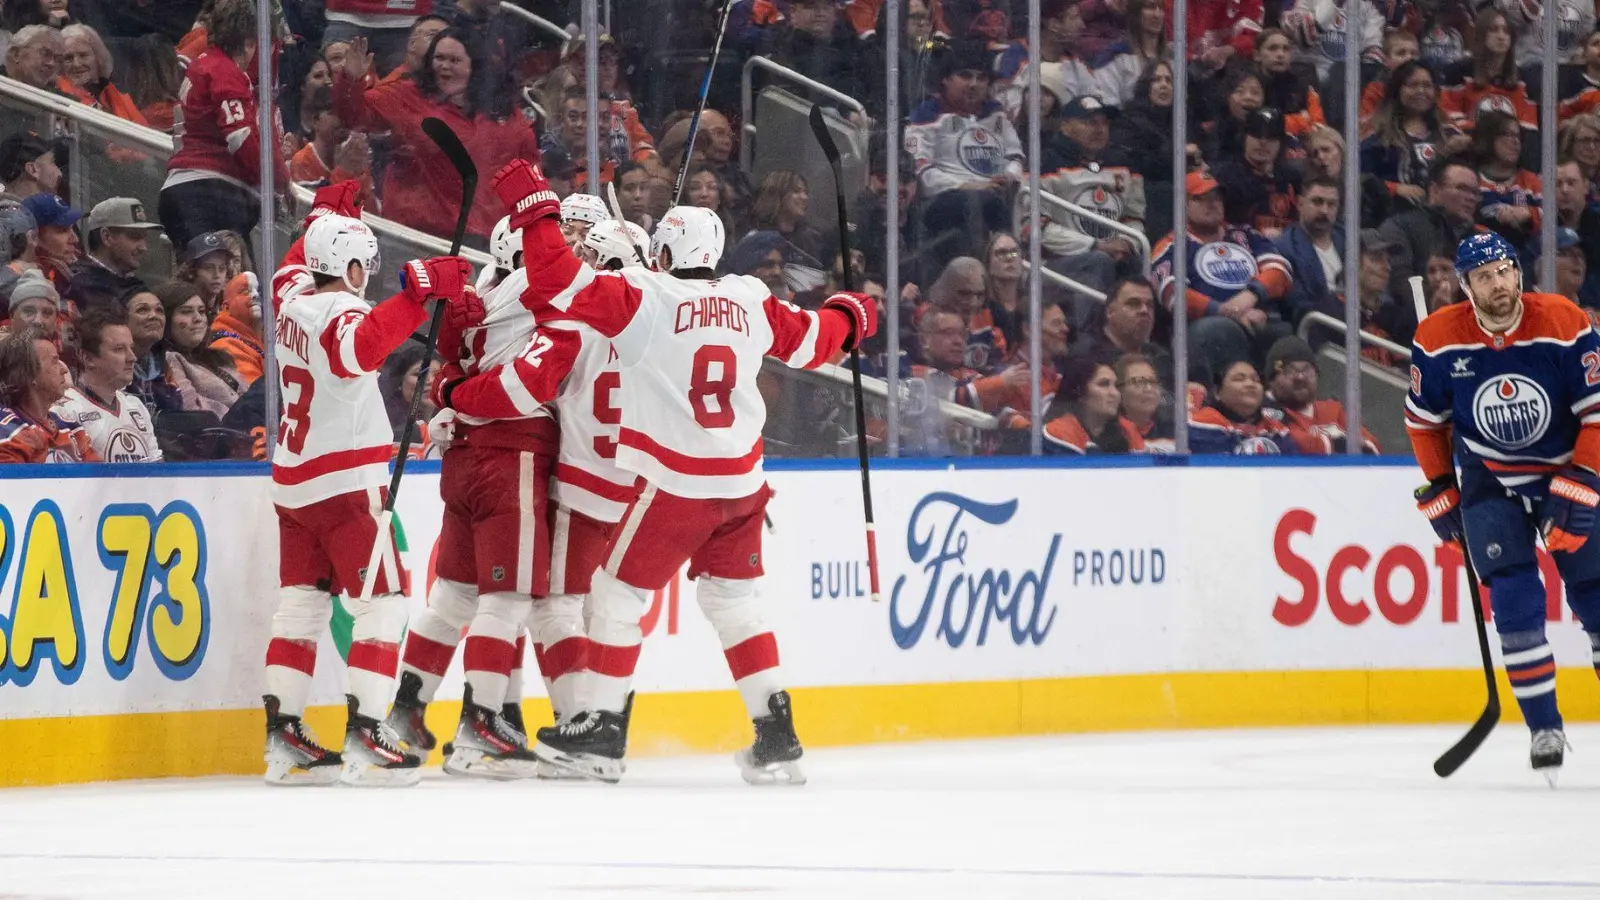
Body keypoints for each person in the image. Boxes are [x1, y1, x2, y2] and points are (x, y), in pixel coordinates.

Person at [487, 161, 876, 785]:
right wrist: (854, 314)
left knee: (615, 595)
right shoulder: (750, 298)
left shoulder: (646, 296)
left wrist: (537, 209)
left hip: (676, 484)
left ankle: (603, 731)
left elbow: (559, 282)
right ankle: (776, 734)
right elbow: (817, 341)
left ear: (662, 251)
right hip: (744, 486)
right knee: (735, 603)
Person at [262, 213, 473, 787]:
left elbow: (288, 268)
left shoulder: (291, 300)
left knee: (301, 605)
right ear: (353, 269)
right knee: (383, 604)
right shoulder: (343, 309)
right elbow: (358, 351)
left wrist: (327, 212)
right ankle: (367, 734)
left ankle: (284, 740)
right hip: (345, 484)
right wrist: (415, 294)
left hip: (293, 480)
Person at [1407, 231, 1600, 783]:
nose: (1500, 283)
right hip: (1490, 477)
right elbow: (1424, 424)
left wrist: (1583, 479)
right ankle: (1544, 728)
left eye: (1506, 270)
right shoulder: (1439, 337)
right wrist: (1441, 485)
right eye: (1485, 276)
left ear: (1519, 273)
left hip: (1566, 468)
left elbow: (1597, 412)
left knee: (1595, 598)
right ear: (1465, 287)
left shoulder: (1562, 321)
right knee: (1514, 605)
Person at [333, 27, 539, 240]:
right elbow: (354, 116)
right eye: (439, 58)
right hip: (415, 237)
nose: (445, 67)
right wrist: (351, 80)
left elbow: (529, 171)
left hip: (482, 241)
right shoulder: (406, 95)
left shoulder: (502, 111)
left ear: (475, 67)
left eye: (454, 60)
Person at [158, 0, 291, 251]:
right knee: (232, 283)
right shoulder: (225, 71)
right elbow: (242, 140)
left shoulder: (205, 63)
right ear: (250, 42)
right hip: (207, 192)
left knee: (225, 282)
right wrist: (276, 182)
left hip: (190, 187)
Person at [1153, 170, 1293, 376]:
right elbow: (1173, 294)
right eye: (1202, 198)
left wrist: (1250, 296)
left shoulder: (1244, 234)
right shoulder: (1171, 245)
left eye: (1217, 197)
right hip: (1205, 324)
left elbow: (1280, 271)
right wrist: (1227, 312)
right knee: (1215, 331)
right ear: (1183, 204)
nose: (1213, 203)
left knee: (1289, 339)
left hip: (1259, 317)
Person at [906, 41, 1022, 256]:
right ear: (945, 79)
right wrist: (966, 185)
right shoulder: (926, 116)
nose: (973, 84)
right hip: (942, 201)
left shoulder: (996, 115)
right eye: (965, 76)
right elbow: (922, 172)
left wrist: (1008, 176)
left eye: (981, 78)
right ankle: (987, 262)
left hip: (994, 194)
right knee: (976, 201)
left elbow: (1015, 156)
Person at [1039, 95, 1144, 276]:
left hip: (1112, 256)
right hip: (1055, 264)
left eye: (1104, 123)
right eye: (1089, 122)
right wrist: (1095, 245)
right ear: (1065, 127)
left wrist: (1126, 243)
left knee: (1137, 261)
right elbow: (1037, 228)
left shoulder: (1124, 164)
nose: (1099, 129)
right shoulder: (1044, 165)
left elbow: (1134, 218)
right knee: (1098, 261)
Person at [53, 307, 161, 462]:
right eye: (119, 349)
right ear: (87, 358)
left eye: (131, 348)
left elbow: (156, 468)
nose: (132, 358)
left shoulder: (135, 406)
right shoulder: (65, 410)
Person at [1379, 157, 1482, 311]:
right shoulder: (1400, 226)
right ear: (1434, 190)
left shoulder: (1480, 241)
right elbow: (1399, 284)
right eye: (1461, 188)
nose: (1471, 198)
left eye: (1475, 192)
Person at [1262, 335, 1377, 454]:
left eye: (1307, 370)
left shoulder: (1333, 409)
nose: (1300, 377)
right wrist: (1340, 443)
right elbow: (1297, 444)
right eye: (1289, 371)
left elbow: (1372, 445)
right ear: (1272, 379)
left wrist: (1342, 444)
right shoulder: (1267, 412)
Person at [1360, 62, 1453, 206]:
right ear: (1397, 90)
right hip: (1391, 215)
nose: (1421, 91)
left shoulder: (1448, 134)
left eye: (1427, 85)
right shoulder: (1377, 135)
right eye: (1413, 85)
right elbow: (1360, 176)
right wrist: (1395, 188)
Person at [0, 326, 94, 463]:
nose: (63, 369)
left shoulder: (72, 428)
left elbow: (99, 480)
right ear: (28, 374)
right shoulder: (8, 433)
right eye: (55, 361)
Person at [1438, 9, 1536, 136]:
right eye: (1494, 30)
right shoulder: (1459, 72)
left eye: (1506, 31)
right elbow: (1449, 112)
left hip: (1510, 149)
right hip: (1470, 147)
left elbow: (1528, 124)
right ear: (1481, 35)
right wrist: (1479, 138)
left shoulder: (1523, 79)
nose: (1501, 36)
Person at [156, 278, 242, 417]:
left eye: (201, 311)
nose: (197, 318)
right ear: (166, 318)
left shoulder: (217, 357)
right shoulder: (169, 360)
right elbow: (193, 412)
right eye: (186, 311)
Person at [289, 87, 380, 215]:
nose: (341, 119)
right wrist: (344, 170)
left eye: (345, 113)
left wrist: (360, 176)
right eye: (333, 112)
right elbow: (317, 216)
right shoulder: (303, 162)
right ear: (315, 121)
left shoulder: (356, 156)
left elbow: (373, 216)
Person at [66, 197, 162, 314]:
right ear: (106, 237)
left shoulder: (134, 284)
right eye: (135, 236)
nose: (143, 248)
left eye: (144, 238)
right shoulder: (79, 282)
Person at [1214, 107, 1298, 238]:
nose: (1263, 143)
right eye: (1256, 134)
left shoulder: (1293, 178)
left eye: (1271, 137)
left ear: (1281, 142)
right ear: (1244, 138)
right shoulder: (1224, 176)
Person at [1188, 359, 1298, 453]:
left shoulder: (1275, 428)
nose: (1250, 384)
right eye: (1239, 379)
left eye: (1256, 380)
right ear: (1217, 392)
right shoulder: (1203, 421)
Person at [1470, 110, 1542, 253]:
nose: (1515, 142)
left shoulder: (1530, 180)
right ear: (1488, 138)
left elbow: (1553, 215)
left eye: (1518, 136)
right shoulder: (1471, 178)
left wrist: (1528, 213)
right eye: (1507, 134)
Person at [1277, 176, 1345, 324]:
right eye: (1317, 202)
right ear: (1300, 204)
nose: (1324, 210)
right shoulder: (1284, 248)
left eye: (1331, 204)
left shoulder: (1349, 239)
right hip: (1322, 328)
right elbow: (1300, 306)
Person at [1043, 355, 1144, 454]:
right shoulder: (1060, 430)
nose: (1115, 393)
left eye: (1116, 386)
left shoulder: (1127, 429)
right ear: (1080, 393)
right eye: (1103, 384)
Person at [57, 24, 148, 126]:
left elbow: (143, 129)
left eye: (83, 55)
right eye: (68, 58)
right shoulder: (57, 95)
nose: (77, 64)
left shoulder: (113, 91)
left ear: (98, 57)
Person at [1279, 0, 1383, 86]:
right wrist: (1329, 6)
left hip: (1344, 84)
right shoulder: (1303, 2)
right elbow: (1304, 38)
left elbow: (1372, 57)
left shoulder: (1367, 10)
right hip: (1306, 77)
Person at [1252, 28, 1326, 138]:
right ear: (1257, 55)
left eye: (1286, 49)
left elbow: (1318, 125)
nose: (1280, 54)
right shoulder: (1249, 83)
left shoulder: (1304, 79)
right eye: (1273, 48)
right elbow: (1257, 124)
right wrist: (1301, 120)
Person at [1091, 0, 1167, 106]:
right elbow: (1109, 105)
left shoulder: (1173, 58)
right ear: (1135, 12)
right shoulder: (1115, 57)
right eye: (1150, 7)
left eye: (1161, 8)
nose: (1157, 14)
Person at [750, 170, 825, 271]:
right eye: (796, 191)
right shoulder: (756, 238)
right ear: (778, 194)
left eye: (805, 192)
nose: (804, 197)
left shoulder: (809, 239)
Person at [1356, 28, 1421, 130]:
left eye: (1414, 53)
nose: (1409, 58)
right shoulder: (1376, 88)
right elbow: (1363, 126)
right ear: (1386, 59)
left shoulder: (1427, 87)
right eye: (1401, 53)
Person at [209, 272, 263, 386]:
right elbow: (255, 392)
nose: (255, 295)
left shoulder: (255, 337)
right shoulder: (224, 347)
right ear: (226, 307)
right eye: (245, 291)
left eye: (257, 290)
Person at [22, 192, 78, 297]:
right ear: (34, 237)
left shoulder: (78, 272)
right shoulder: (21, 285)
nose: (75, 239)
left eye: (72, 228)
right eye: (63, 230)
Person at [1116, 353, 1172, 450]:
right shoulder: (1112, 434)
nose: (1149, 388)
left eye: (1153, 381)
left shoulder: (1172, 429)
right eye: (1138, 382)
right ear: (1119, 390)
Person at [0, 132, 61, 204]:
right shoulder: (15, 213)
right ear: (32, 169)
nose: (59, 171)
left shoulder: (11, 209)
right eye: (53, 162)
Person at [5, 25, 64, 93]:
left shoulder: (61, 100)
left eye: (57, 59)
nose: (52, 63)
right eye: (45, 54)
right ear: (16, 54)